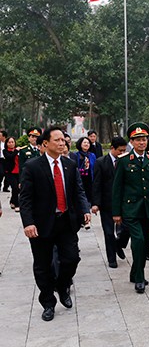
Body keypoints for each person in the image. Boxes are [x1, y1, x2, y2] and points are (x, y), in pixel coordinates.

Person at [19, 126, 91, 321]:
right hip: (41, 225)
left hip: (66, 222)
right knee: (43, 266)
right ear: (45, 144)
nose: (62, 143)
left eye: (63, 140)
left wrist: (85, 209)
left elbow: (78, 191)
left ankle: (62, 286)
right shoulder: (32, 167)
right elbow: (25, 198)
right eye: (57, 140)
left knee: (71, 259)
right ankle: (48, 303)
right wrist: (28, 223)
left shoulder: (69, 165)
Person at [112, 122, 149, 294]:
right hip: (131, 209)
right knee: (138, 241)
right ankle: (139, 278)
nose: (142, 142)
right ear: (131, 142)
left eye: (144, 139)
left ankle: (135, 272)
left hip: (148, 209)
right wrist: (116, 213)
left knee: (145, 244)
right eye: (138, 140)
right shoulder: (124, 161)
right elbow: (117, 188)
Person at [92, 136, 128, 268]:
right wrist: (95, 203)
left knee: (126, 229)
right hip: (107, 203)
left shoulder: (125, 162)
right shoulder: (101, 162)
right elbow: (96, 184)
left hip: (124, 203)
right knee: (108, 232)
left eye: (124, 150)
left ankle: (119, 244)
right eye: (120, 150)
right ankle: (112, 258)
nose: (122, 153)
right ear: (112, 148)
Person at [71, 136, 96, 209]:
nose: (86, 144)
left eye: (88, 143)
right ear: (80, 144)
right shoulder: (76, 155)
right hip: (80, 178)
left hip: (89, 178)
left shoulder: (92, 155)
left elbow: (94, 167)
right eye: (84, 142)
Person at [2, 137, 20, 211]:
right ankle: (16, 204)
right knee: (14, 187)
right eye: (9, 142)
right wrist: (16, 151)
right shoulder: (5, 151)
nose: (11, 144)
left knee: (18, 189)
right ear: (6, 144)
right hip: (10, 172)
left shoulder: (18, 150)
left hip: (18, 172)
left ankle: (12, 201)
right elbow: (10, 157)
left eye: (12, 142)